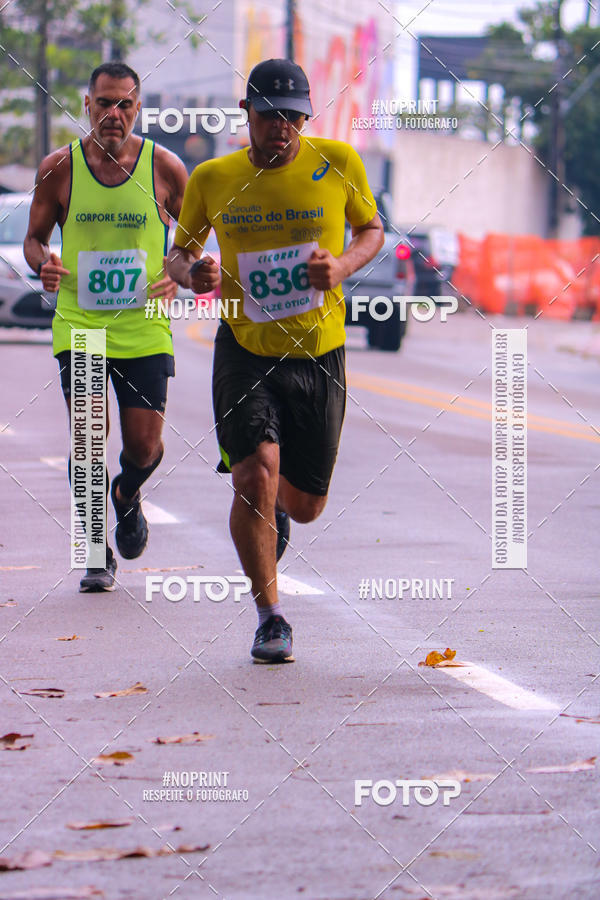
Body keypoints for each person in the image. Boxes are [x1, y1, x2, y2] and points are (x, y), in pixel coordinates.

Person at [167, 58, 384, 662]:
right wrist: (195, 273)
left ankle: (278, 516)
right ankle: (270, 617)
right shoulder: (213, 177)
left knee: (306, 506)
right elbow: (177, 257)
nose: (282, 128)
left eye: (293, 117)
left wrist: (340, 267)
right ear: (248, 115)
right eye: (270, 116)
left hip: (318, 351)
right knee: (253, 473)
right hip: (245, 348)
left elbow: (372, 231)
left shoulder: (337, 163)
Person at [24, 61, 188, 592]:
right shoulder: (59, 167)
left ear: (138, 108)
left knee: (143, 448)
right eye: (104, 103)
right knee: (90, 437)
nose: (113, 113)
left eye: (124, 104)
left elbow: (192, 239)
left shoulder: (165, 168)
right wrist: (43, 261)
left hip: (143, 326)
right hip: (82, 324)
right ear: (87, 104)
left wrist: (179, 271)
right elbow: (34, 237)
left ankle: (127, 493)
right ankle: (95, 551)